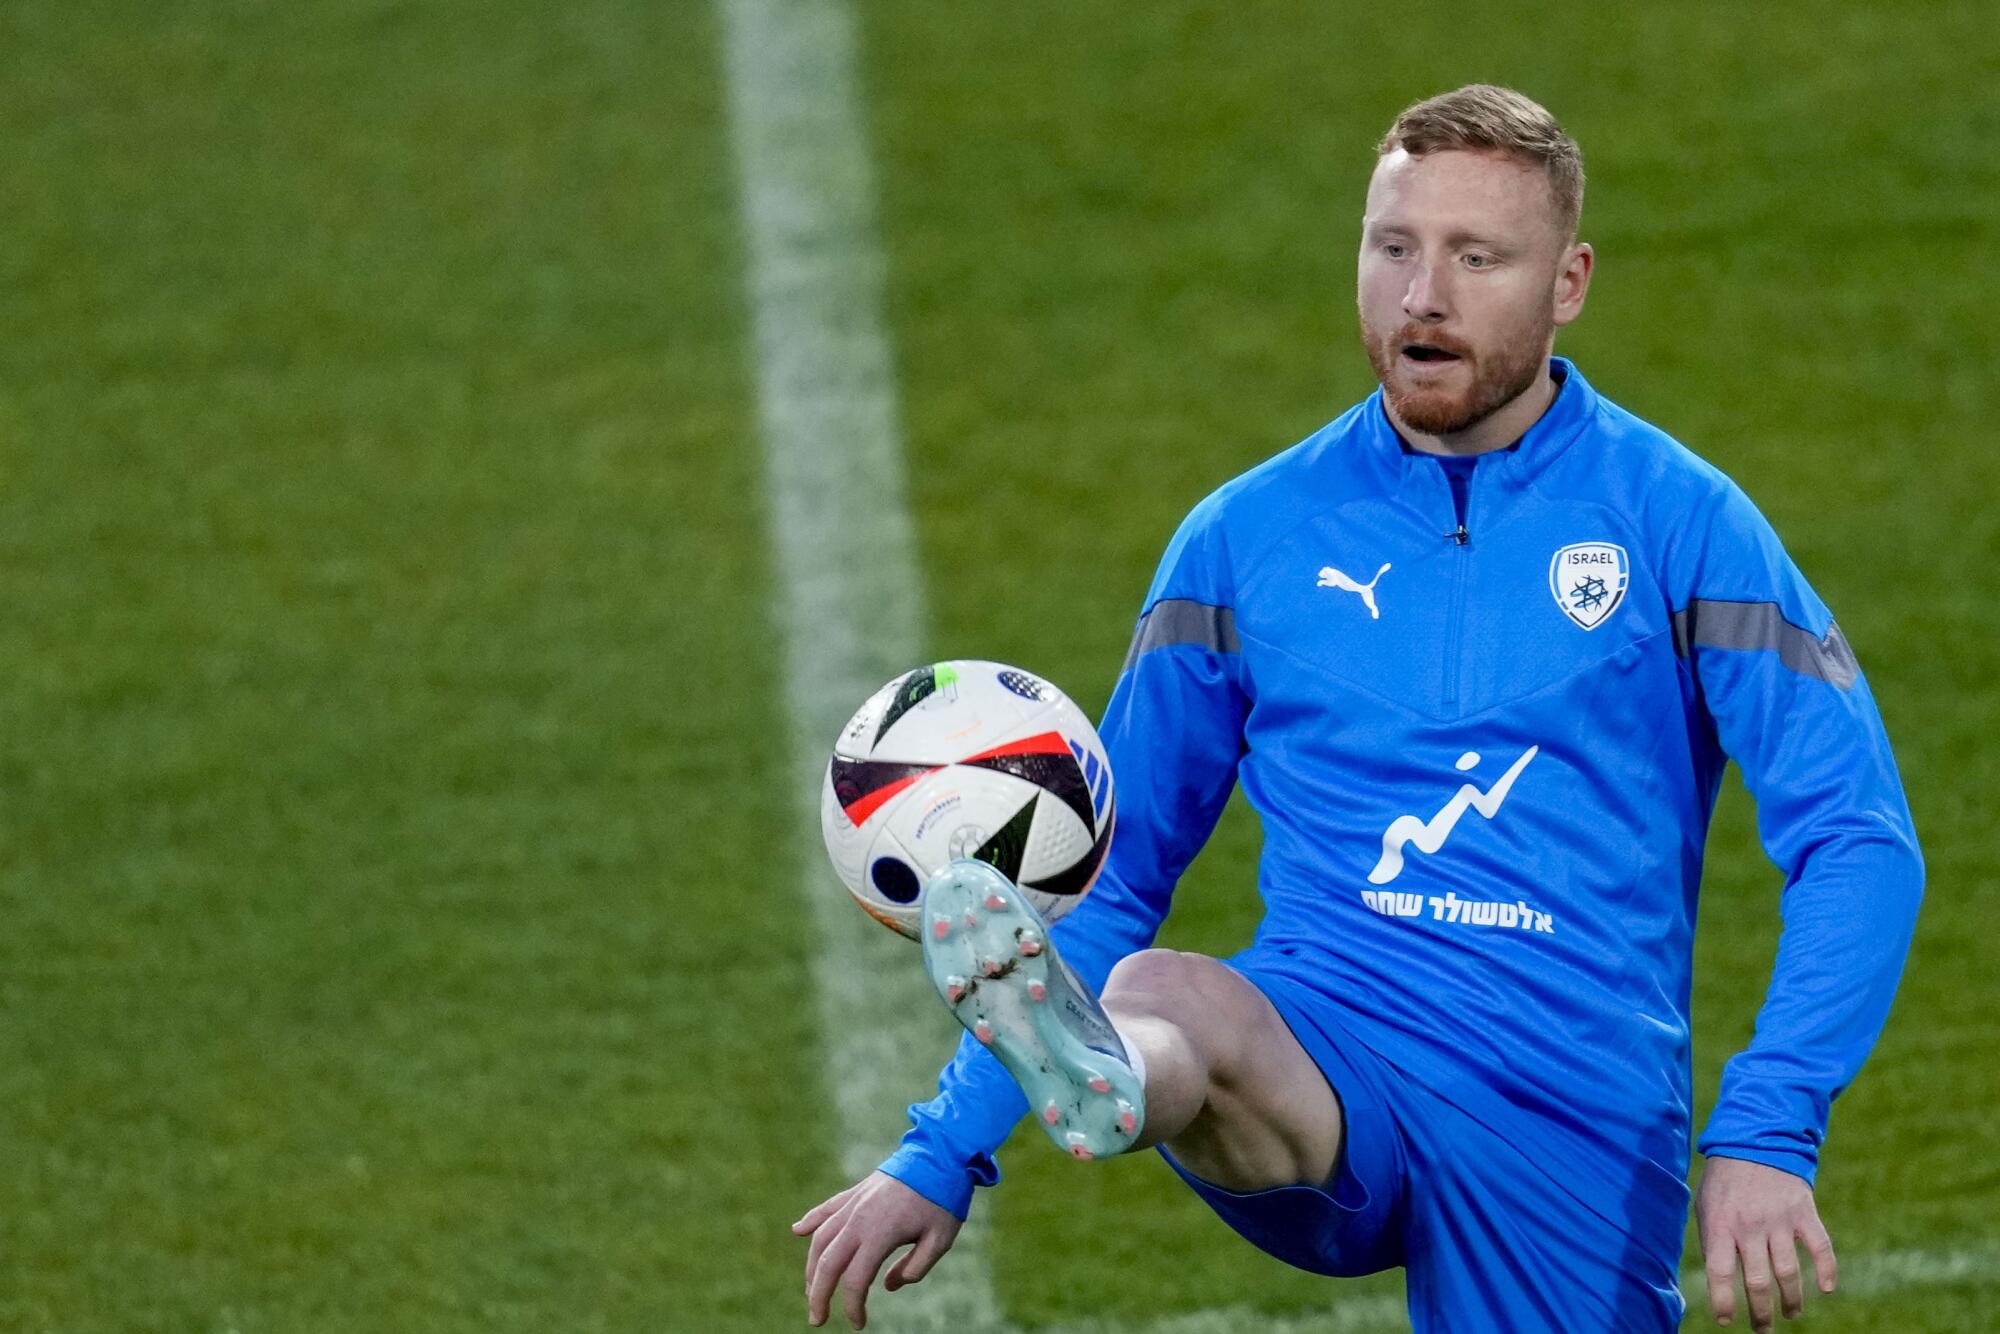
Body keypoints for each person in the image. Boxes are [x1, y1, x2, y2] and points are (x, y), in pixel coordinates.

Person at [793, 84, 1923, 1334]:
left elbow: (1854, 837)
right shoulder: (1241, 540)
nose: (1421, 294)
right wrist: (939, 1149)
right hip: (1329, 1045)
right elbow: (1112, 871)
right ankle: (1110, 1073)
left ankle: (1126, 1062)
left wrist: (1768, 1119)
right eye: (1392, 248)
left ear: (1568, 283)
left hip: (1566, 1106)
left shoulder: (1680, 523)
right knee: (1175, 998)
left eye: (1475, 257)